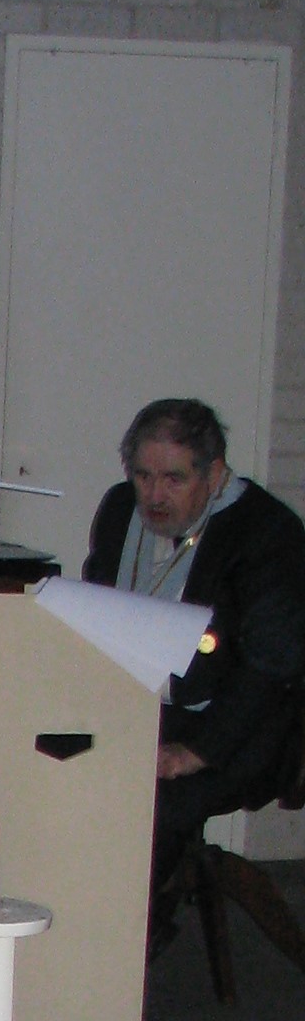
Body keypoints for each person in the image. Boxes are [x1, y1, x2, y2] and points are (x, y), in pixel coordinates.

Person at [84, 398, 305, 930]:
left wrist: (196, 753)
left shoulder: (267, 534)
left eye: (173, 479)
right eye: (143, 475)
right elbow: (96, 604)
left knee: (148, 807)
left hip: (238, 723)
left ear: (215, 474)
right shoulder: (120, 510)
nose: (153, 495)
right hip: (142, 706)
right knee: (54, 764)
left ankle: (123, 938)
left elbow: (269, 668)